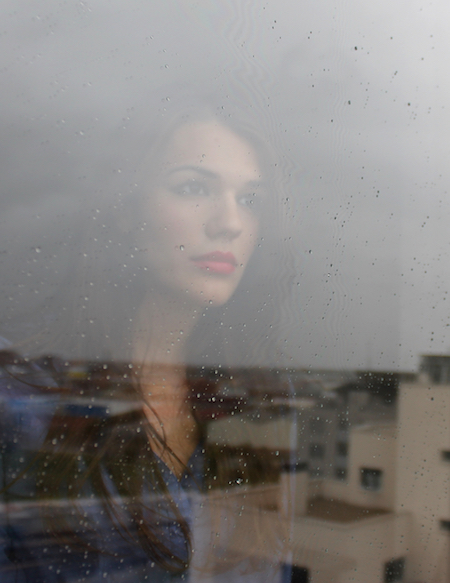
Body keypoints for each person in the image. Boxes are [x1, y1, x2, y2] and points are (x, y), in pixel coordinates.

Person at [0, 90, 295, 582]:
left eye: (250, 200)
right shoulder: (22, 396)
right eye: (192, 188)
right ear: (123, 209)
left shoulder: (257, 403)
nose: (229, 223)